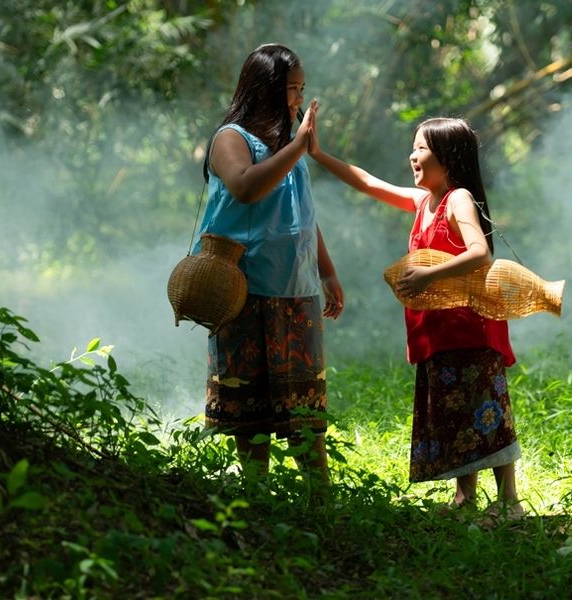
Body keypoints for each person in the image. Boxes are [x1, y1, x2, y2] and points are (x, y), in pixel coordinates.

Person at [309, 117, 524, 520]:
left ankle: (510, 501)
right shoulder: (423, 201)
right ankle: (465, 498)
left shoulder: (457, 199)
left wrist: (428, 273)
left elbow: (481, 252)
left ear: (447, 156)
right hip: (438, 330)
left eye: (421, 148)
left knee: (485, 409)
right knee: (454, 408)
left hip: (469, 325)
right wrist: (318, 154)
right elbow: (369, 183)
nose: (413, 155)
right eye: (414, 146)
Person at [192, 43, 343, 491]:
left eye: (300, 89)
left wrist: (328, 270)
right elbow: (243, 188)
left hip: (297, 289)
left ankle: (321, 497)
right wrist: (297, 146)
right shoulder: (231, 138)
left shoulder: (287, 147)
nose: (297, 99)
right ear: (265, 90)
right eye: (291, 90)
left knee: (303, 402)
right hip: (246, 288)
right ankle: (255, 494)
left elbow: (303, 215)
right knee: (250, 403)